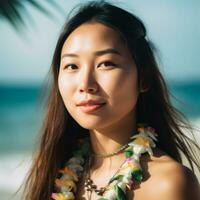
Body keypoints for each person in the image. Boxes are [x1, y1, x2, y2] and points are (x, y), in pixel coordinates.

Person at [23, 1, 200, 199]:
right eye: (72, 66)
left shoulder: (169, 183)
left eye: (106, 63)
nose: (85, 83)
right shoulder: (51, 172)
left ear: (144, 79)